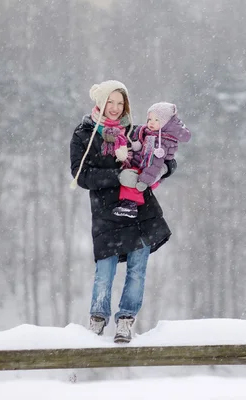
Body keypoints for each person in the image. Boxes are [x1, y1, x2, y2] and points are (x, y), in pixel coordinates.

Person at [69, 80, 177, 343]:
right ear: (100, 102)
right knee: (104, 270)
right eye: (111, 102)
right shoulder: (84, 134)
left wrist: (164, 169)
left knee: (137, 269)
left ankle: (126, 321)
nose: (116, 108)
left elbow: (166, 156)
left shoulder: (135, 132)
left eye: (121, 103)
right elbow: (81, 175)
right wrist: (118, 176)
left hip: (140, 209)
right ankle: (97, 319)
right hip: (106, 211)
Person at [113, 102, 191, 218]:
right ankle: (128, 203)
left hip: (151, 175)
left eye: (156, 120)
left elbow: (156, 164)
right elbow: (145, 149)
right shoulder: (148, 133)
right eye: (149, 119)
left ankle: (130, 205)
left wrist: (145, 180)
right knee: (129, 176)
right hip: (143, 167)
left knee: (130, 178)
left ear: (165, 123)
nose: (151, 122)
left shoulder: (162, 142)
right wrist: (137, 146)